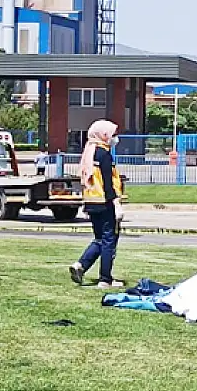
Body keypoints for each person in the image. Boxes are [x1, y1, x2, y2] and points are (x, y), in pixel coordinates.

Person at [69, 120, 125, 289]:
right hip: (104, 201)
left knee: (99, 239)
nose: (115, 138)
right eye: (112, 134)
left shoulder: (89, 152)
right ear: (103, 135)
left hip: (91, 201)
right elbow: (108, 182)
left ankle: (80, 265)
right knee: (109, 240)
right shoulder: (104, 154)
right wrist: (116, 203)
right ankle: (105, 279)